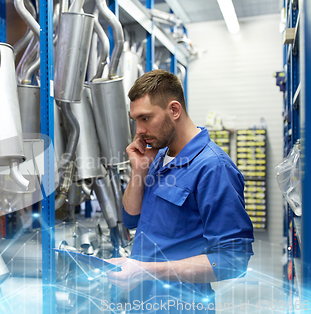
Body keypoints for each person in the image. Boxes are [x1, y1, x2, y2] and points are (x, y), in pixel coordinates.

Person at [106, 69, 254, 313]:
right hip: (142, 303)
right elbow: (131, 218)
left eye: (145, 118)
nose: (139, 130)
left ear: (174, 110)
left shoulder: (213, 167)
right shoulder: (160, 155)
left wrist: (145, 270)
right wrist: (139, 170)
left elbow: (233, 261)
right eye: (135, 120)